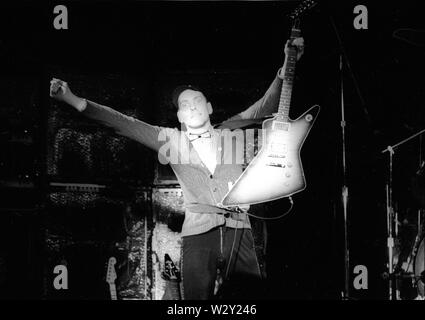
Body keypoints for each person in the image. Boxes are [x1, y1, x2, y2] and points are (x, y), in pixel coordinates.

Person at [50, 38, 305, 300]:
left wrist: (286, 66)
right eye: (184, 105)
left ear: (209, 108)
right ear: (180, 117)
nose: (191, 106)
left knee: (250, 301)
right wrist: (74, 100)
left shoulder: (230, 131)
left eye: (197, 100)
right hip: (198, 235)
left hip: (239, 231)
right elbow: (123, 122)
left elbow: (267, 106)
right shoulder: (172, 139)